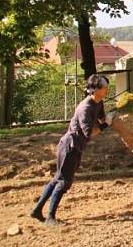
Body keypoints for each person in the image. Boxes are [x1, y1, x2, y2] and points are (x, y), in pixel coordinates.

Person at [30, 74, 113, 226]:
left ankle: (37, 210)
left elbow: (102, 118)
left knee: (57, 179)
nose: (107, 89)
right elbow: (90, 132)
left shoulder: (98, 103)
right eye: (104, 87)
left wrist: (114, 117)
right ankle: (50, 217)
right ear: (95, 90)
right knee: (63, 182)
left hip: (77, 146)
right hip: (69, 146)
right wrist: (106, 125)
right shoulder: (85, 107)